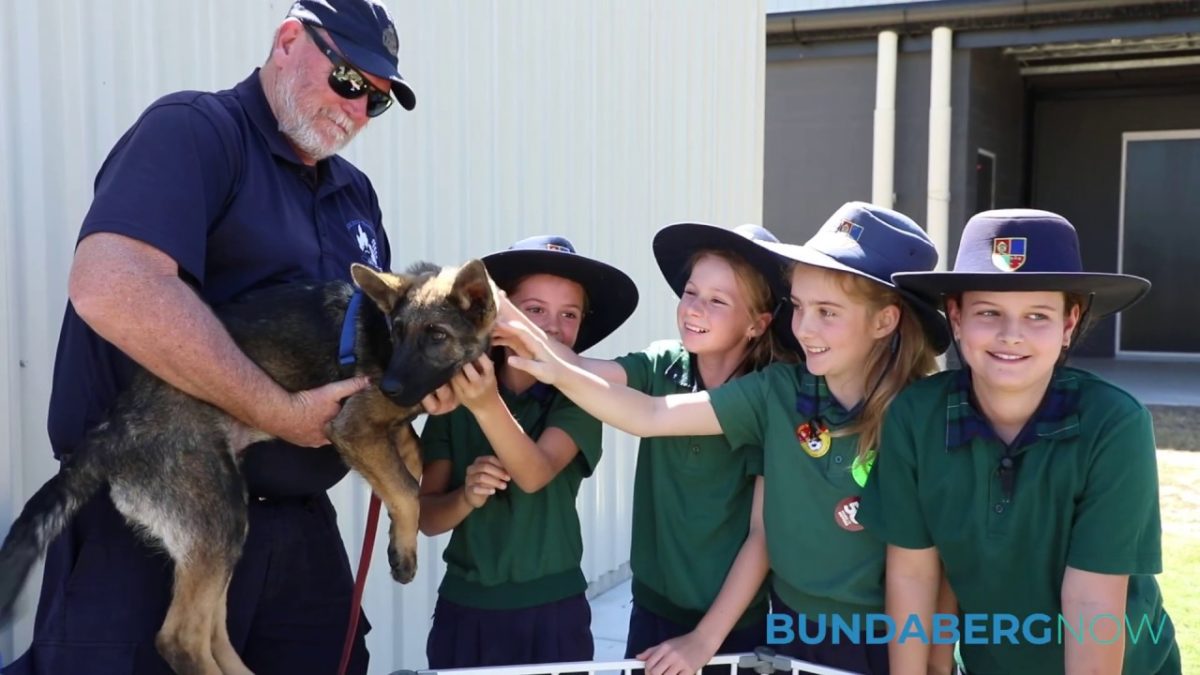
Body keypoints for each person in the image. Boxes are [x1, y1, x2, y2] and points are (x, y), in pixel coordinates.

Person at [4, 2, 434, 674]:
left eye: (375, 102)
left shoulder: (357, 197)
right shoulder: (196, 133)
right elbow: (109, 285)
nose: (355, 111)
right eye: (349, 81)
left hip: (297, 533)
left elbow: (380, 352)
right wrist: (276, 412)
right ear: (289, 40)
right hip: (153, 517)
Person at [498, 202, 952, 675]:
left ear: (885, 321)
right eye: (797, 307)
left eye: (827, 312)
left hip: (879, 636)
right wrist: (538, 349)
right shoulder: (780, 391)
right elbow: (651, 413)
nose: (805, 328)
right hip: (789, 628)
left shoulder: (922, 415)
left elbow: (923, 573)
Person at [860, 209, 1181, 674]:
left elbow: (1092, 601)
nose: (1012, 335)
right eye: (989, 312)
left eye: (1038, 315)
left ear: (1069, 323)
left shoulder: (1114, 424)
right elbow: (914, 573)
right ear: (956, 317)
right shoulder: (916, 416)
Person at [503, 223, 795, 675]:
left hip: (730, 624)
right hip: (652, 608)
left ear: (758, 323)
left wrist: (703, 640)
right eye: (691, 291)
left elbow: (764, 535)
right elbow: (582, 367)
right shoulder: (662, 362)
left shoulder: (770, 396)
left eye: (718, 301)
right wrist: (506, 318)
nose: (694, 308)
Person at [418, 235, 638, 669]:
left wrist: (485, 405)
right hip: (465, 609)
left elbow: (534, 474)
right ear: (498, 316)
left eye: (569, 314)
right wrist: (466, 496)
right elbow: (425, 518)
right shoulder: (456, 392)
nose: (550, 327)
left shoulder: (580, 396)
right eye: (533, 310)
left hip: (552, 609)